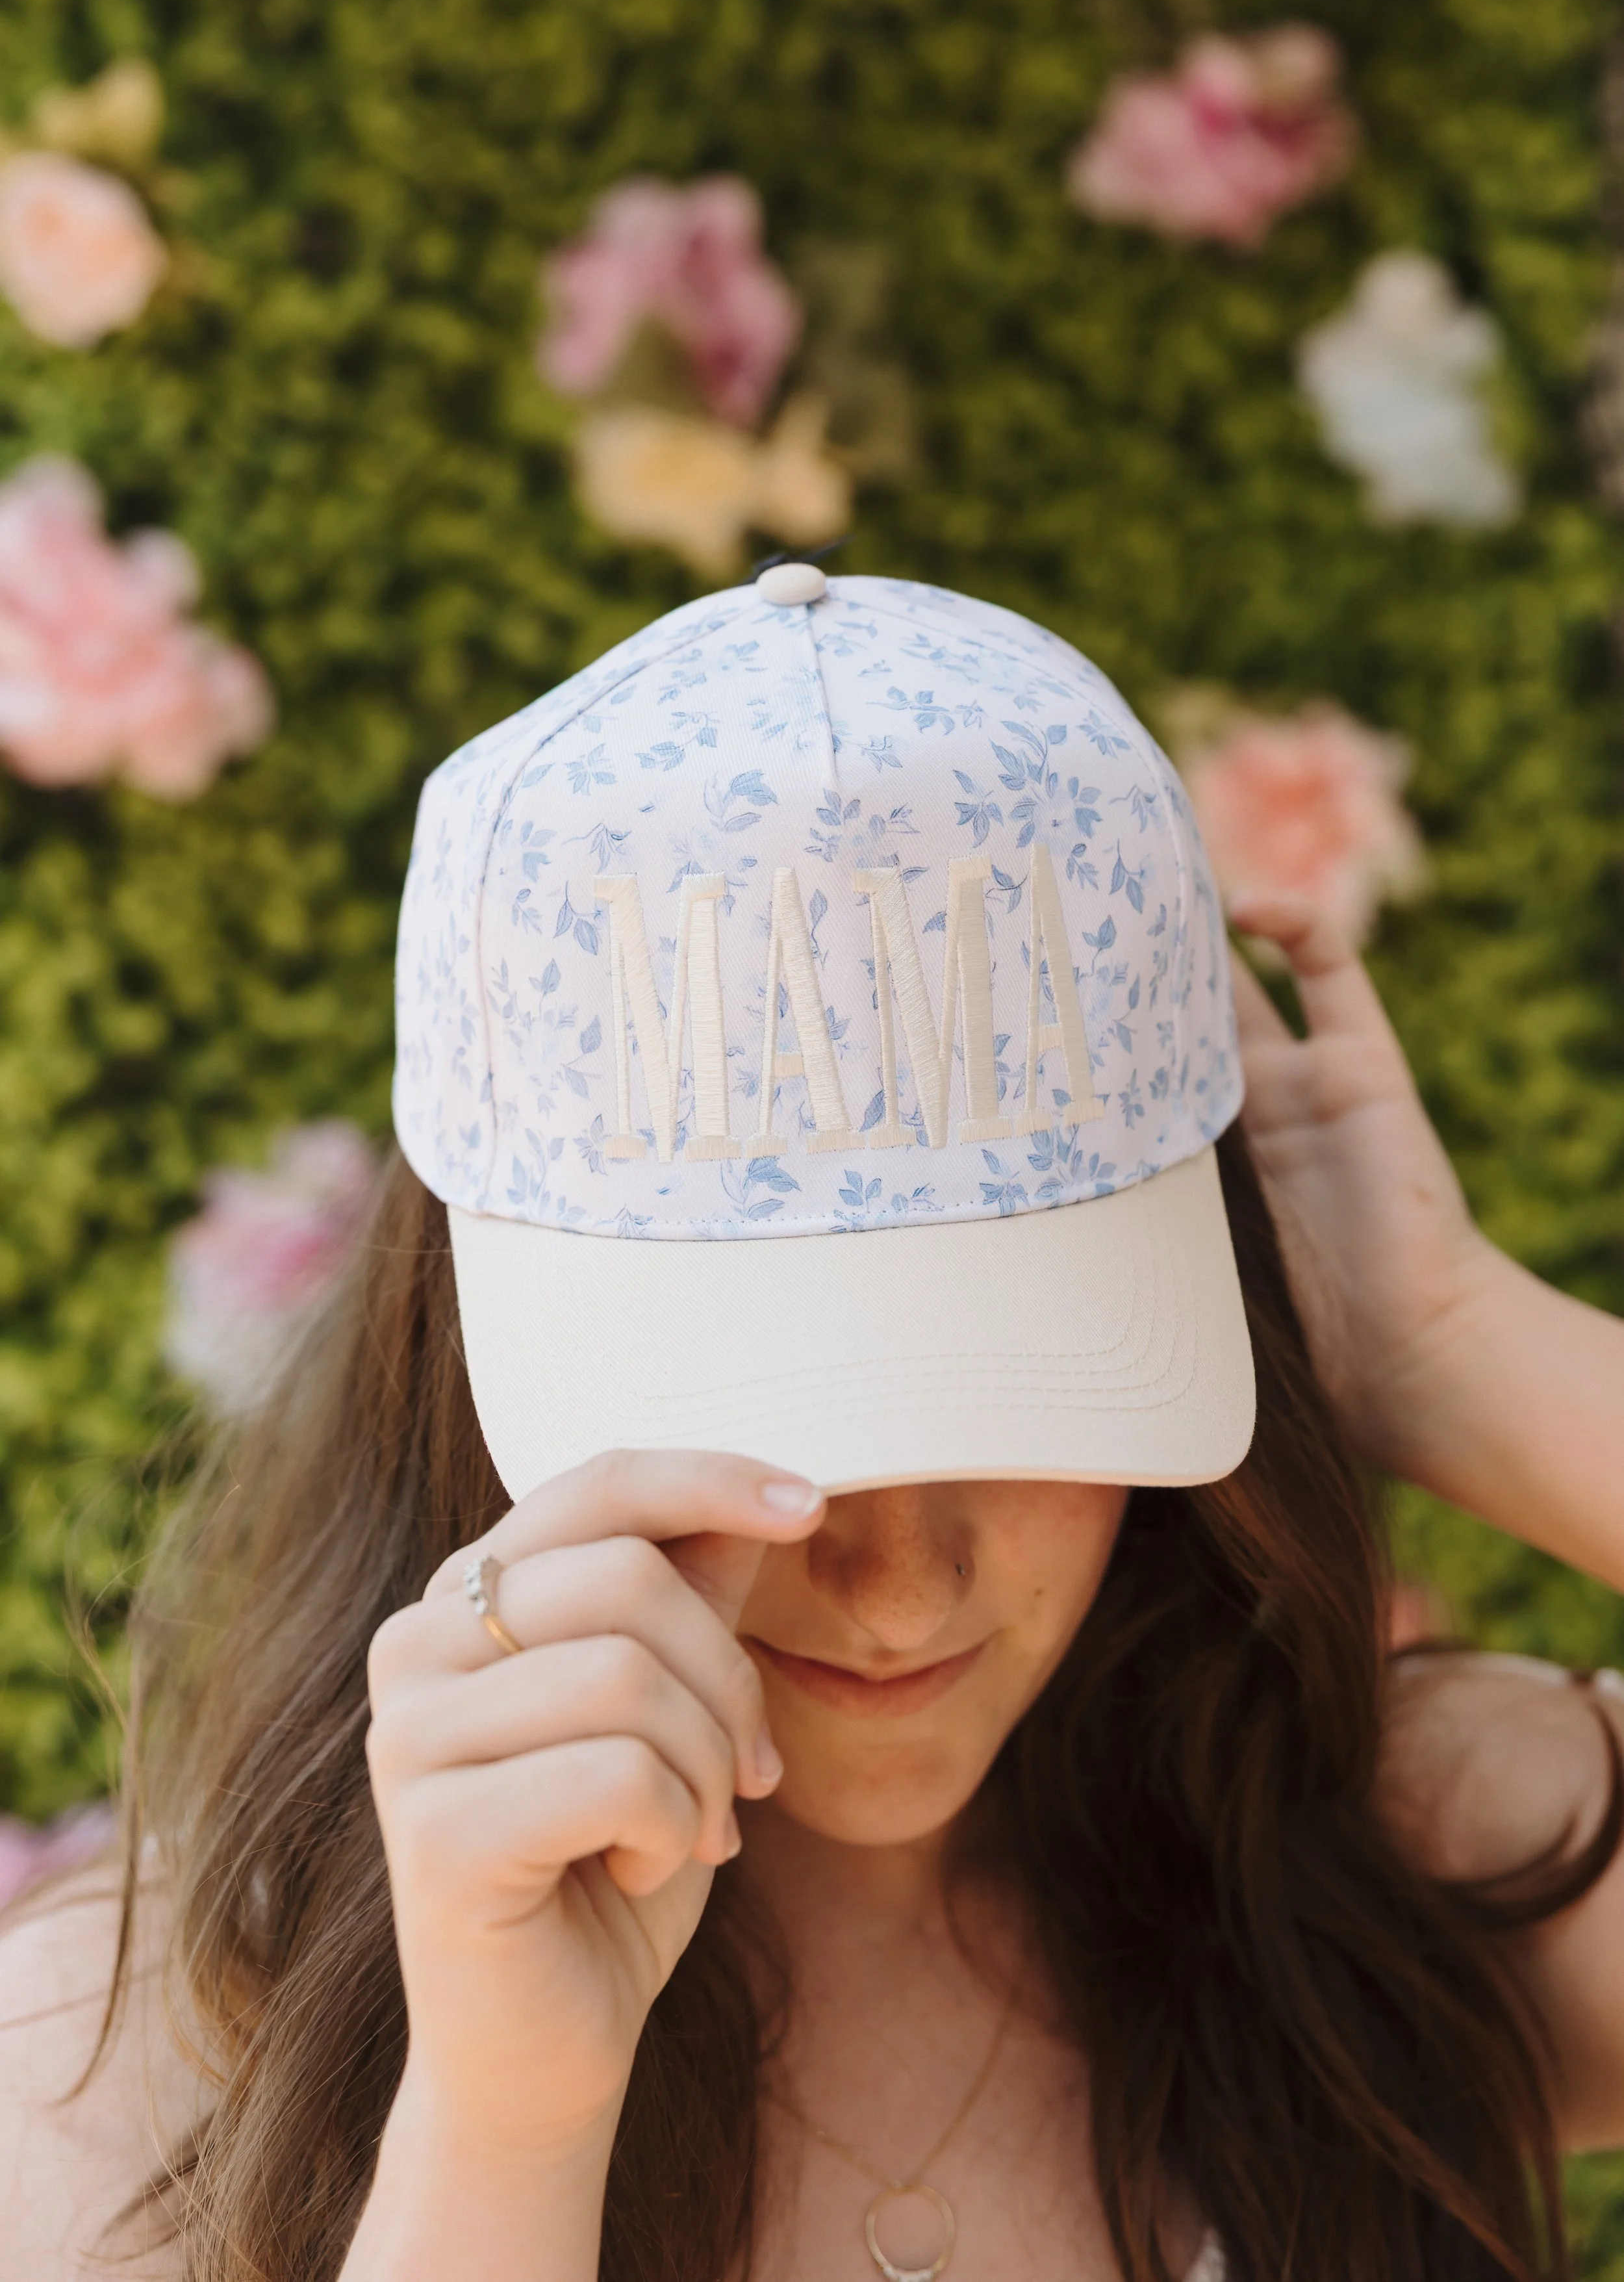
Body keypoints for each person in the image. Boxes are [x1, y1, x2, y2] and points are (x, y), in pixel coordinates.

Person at [2, 567, 1623, 2282]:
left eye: (1030, 1389)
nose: (905, 1580)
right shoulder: (139, 2064)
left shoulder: (1376, 1860)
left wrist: (1458, 1346)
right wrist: (501, 2124)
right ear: (468, 1347)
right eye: (770, 1432)